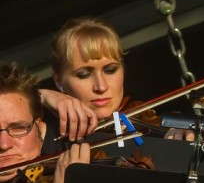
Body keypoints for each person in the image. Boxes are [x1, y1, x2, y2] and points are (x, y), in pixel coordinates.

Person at [47, 17, 193, 146]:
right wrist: (42, 95)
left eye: (110, 70)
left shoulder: (143, 120)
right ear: (58, 80)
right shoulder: (45, 136)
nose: (101, 86)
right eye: (84, 74)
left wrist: (181, 129)